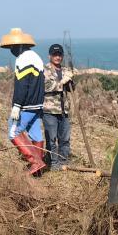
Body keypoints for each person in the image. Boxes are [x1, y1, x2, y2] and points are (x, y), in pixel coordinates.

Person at [0, 27, 47, 176]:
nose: (11, 50)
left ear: (19, 45)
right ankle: (38, 169)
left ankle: (35, 162)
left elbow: (22, 84)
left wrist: (17, 106)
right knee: (36, 135)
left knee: (13, 133)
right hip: (37, 103)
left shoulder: (23, 59)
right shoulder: (36, 57)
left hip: (26, 104)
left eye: (13, 47)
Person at [42, 43, 75, 171]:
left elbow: (71, 89)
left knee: (65, 138)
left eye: (59, 54)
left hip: (64, 110)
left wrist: (71, 81)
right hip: (49, 110)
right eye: (55, 54)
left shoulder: (66, 70)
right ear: (50, 56)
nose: (57, 57)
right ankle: (54, 164)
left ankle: (63, 161)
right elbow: (46, 87)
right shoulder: (44, 70)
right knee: (51, 138)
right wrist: (62, 82)